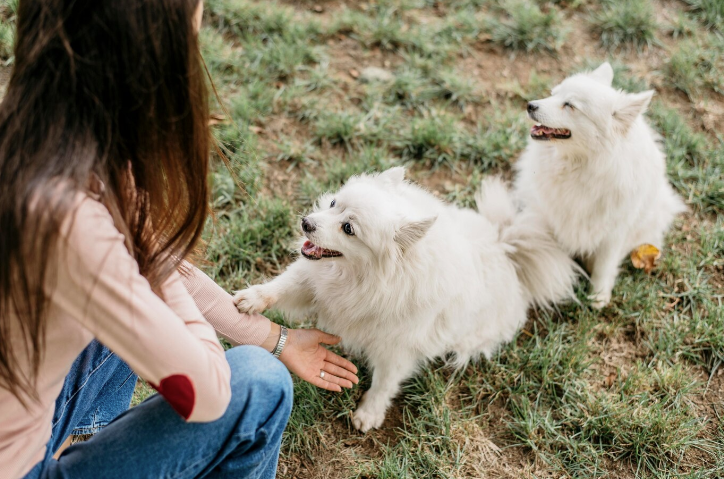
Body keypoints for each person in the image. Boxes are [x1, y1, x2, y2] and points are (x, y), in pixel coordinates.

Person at [0, 1, 359, 478]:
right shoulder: (70, 221)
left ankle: (74, 438)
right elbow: (207, 394)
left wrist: (276, 336)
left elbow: (141, 268)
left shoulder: (31, 131)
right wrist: (141, 252)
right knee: (258, 385)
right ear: (152, 59)